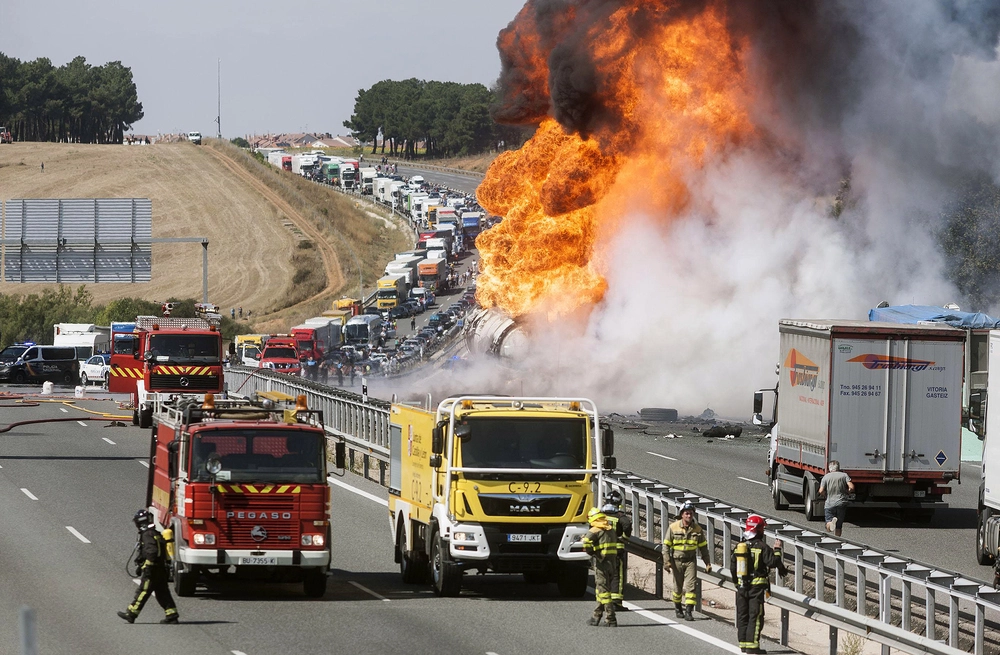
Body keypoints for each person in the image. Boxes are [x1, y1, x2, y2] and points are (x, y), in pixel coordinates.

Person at [731, 514, 786, 654]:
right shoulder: (762, 547)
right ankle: (752, 646)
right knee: (755, 616)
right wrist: (778, 550)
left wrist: (737, 584)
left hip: (742, 587)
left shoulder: (739, 546)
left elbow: (733, 567)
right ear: (759, 530)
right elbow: (773, 562)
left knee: (742, 615)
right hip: (756, 588)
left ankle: (743, 644)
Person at [118, 509, 179, 624]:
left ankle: (131, 613)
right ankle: (172, 614)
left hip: (153, 569)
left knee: (143, 590)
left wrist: (147, 567)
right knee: (162, 592)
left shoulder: (147, 534)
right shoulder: (154, 532)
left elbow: (152, 551)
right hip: (160, 568)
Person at [663, 501, 712, 621]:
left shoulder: (698, 529)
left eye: (691, 513)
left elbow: (703, 548)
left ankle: (689, 611)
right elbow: (666, 546)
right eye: (687, 513)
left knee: (691, 587)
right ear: (682, 514)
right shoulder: (673, 527)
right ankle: (678, 607)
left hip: (690, 561)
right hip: (676, 561)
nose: (689, 516)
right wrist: (667, 562)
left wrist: (708, 563)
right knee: (678, 587)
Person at [582, 507, 620, 627]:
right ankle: (596, 616)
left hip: (601, 564)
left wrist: (592, 552)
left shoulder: (595, 530)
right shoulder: (610, 529)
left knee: (603, 592)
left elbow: (586, 543)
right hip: (612, 563)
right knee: (601, 589)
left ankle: (611, 618)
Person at [603, 491, 632, 612]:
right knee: (616, 576)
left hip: (601, 551)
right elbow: (627, 526)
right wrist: (624, 538)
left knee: (603, 576)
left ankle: (603, 601)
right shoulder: (620, 516)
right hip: (616, 552)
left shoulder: (600, 515)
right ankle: (616, 602)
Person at [819, 460, 854, 536]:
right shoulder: (844, 475)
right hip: (841, 503)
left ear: (829, 468)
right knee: (839, 526)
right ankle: (838, 541)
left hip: (829, 504)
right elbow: (851, 487)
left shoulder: (826, 477)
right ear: (838, 467)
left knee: (828, 525)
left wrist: (825, 495)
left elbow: (821, 491)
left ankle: (831, 523)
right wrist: (848, 492)